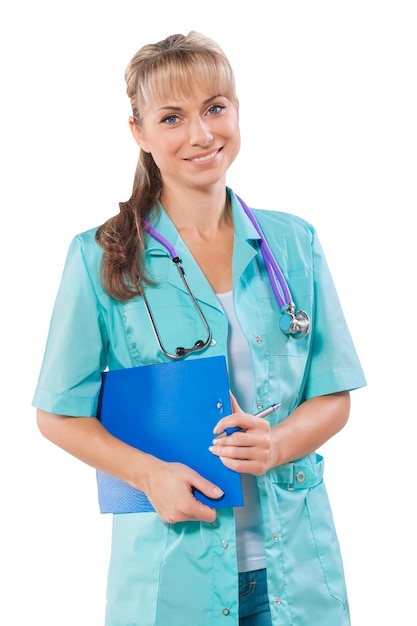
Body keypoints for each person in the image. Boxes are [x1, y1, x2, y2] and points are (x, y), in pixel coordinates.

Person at [33, 31, 366, 626]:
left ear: (237, 110)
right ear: (139, 132)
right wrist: (146, 475)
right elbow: (58, 413)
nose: (201, 134)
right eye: (172, 117)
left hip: (299, 573)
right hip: (170, 575)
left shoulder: (294, 242)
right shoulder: (101, 257)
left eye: (216, 107)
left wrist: (278, 444)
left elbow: (334, 394)